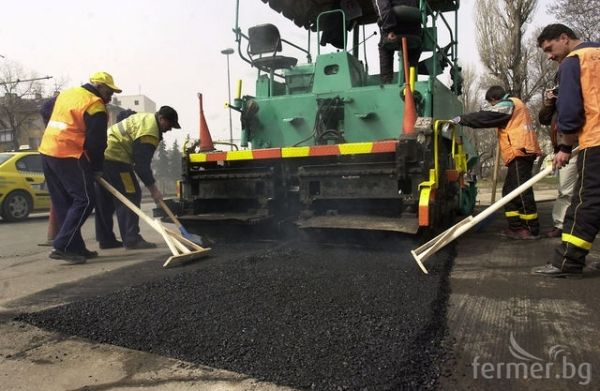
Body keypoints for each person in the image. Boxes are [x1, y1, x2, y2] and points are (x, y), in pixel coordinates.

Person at [532, 24, 600, 278]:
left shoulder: (573, 61)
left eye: (550, 49)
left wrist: (565, 146)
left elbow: (570, 110)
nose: (549, 56)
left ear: (564, 38)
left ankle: (567, 262)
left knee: (585, 201)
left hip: (596, 140)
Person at [38, 71, 121, 264]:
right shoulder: (95, 106)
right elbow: (97, 142)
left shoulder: (68, 93)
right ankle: (62, 245)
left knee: (64, 203)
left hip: (47, 150)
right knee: (85, 200)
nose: (110, 97)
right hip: (69, 154)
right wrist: (97, 167)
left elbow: (45, 108)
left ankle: (75, 248)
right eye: (109, 92)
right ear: (99, 87)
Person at [450, 85, 542, 239]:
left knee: (521, 191)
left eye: (492, 104)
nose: (493, 107)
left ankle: (529, 229)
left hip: (521, 152)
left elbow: (486, 117)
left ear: (494, 99)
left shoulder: (509, 104)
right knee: (510, 192)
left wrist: (462, 119)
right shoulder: (515, 105)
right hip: (520, 152)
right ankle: (516, 227)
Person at [94, 106, 181, 250]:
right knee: (131, 195)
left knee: (105, 198)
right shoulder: (150, 132)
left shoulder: (145, 119)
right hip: (116, 158)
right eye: (170, 125)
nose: (170, 129)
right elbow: (141, 165)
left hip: (102, 156)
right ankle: (131, 239)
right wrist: (154, 190)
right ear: (161, 119)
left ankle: (106, 239)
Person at [538, 80, 578, 239]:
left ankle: (569, 224)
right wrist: (550, 102)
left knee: (581, 190)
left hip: (577, 147)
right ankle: (561, 224)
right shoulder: (557, 106)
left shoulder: (577, 97)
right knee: (566, 190)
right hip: (565, 149)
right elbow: (543, 119)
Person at [372, 0, 422, 84]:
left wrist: (389, 29)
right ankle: (409, 82)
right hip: (415, 34)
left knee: (384, 47)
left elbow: (383, 9)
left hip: (395, 31)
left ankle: (386, 82)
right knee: (412, 54)